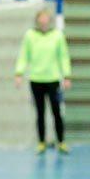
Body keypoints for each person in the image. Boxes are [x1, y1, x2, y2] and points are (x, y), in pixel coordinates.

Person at [14, 9, 71, 155]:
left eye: (46, 19)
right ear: (37, 21)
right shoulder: (30, 35)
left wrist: (67, 76)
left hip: (53, 79)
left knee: (56, 112)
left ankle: (61, 141)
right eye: (41, 19)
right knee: (40, 112)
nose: (43, 22)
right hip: (36, 79)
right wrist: (19, 73)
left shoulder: (57, 36)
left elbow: (63, 56)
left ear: (49, 20)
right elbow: (24, 55)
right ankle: (41, 142)